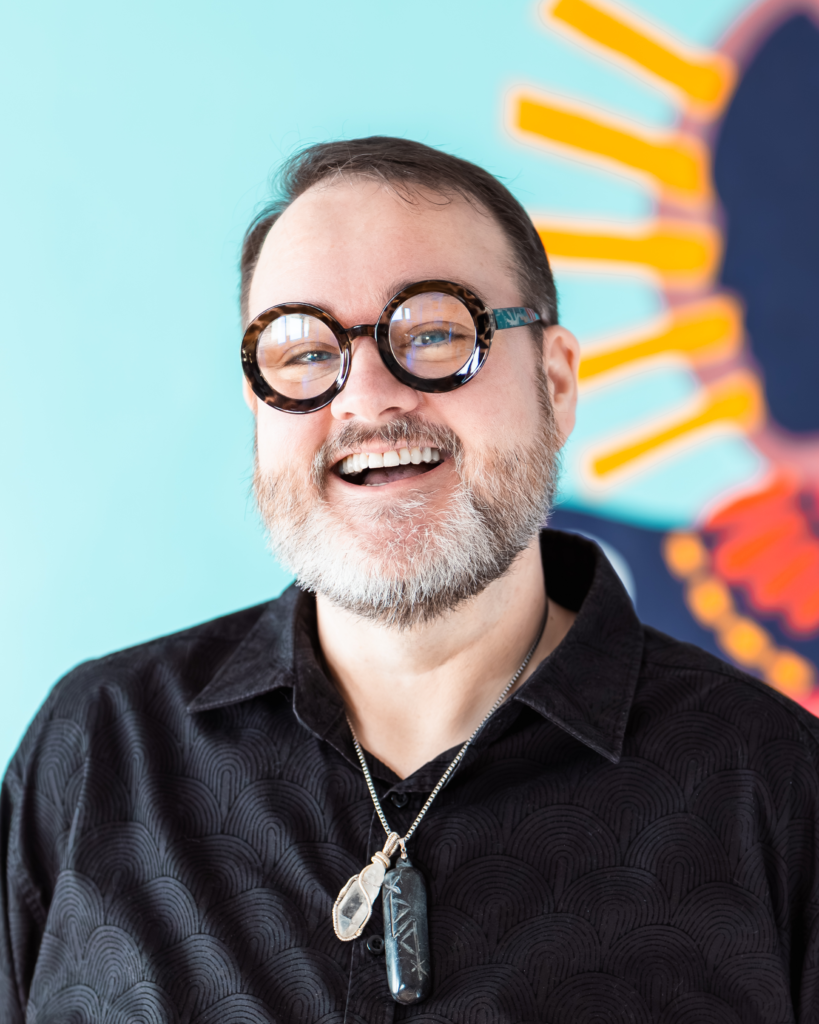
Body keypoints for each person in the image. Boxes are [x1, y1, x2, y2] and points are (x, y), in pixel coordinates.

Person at [2, 137, 818, 1024]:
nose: (365, 398)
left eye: (433, 334)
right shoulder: (97, 749)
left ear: (555, 383)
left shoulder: (775, 786)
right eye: (303, 353)